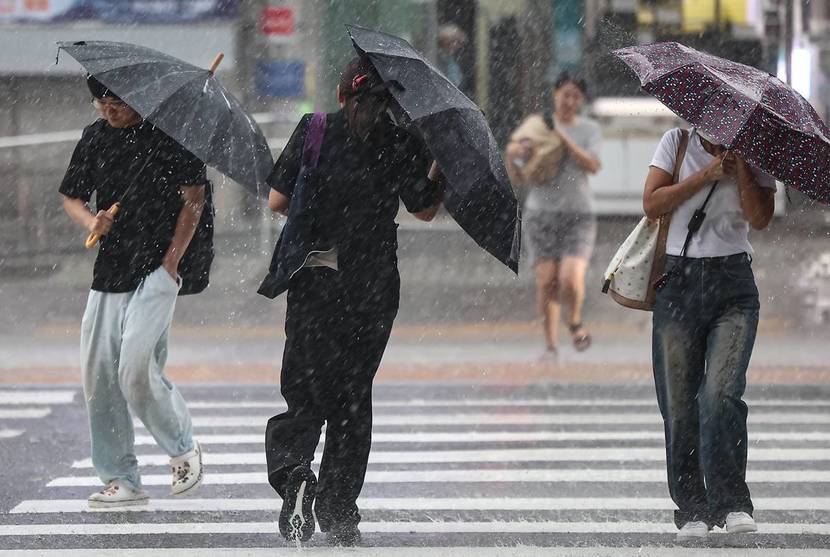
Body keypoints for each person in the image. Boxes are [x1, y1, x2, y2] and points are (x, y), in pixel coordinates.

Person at [261, 57, 443, 546]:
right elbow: (425, 209)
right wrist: (438, 158)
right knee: (352, 399)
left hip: (317, 278)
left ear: (342, 94)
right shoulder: (402, 140)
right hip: (372, 286)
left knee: (303, 392)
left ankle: (294, 471)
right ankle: (339, 512)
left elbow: (277, 201)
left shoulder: (315, 129)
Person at [60, 76, 209, 508]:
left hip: (158, 269)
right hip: (110, 269)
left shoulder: (173, 136)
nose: (109, 112)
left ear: (139, 98)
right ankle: (120, 478)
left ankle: (182, 446)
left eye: (117, 104)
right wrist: (92, 221)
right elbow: (71, 197)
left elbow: (195, 199)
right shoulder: (95, 138)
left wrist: (172, 262)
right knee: (99, 376)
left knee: (135, 368)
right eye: (101, 104)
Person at [644, 127, 776, 541]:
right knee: (679, 405)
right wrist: (706, 175)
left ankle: (732, 501)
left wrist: (742, 169)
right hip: (678, 283)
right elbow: (652, 204)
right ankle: (692, 509)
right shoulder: (676, 142)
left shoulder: (755, 150)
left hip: (733, 284)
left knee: (720, 396)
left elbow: (760, 218)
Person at [505, 72, 601, 360]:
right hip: (541, 214)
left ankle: (574, 320)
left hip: (578, 215)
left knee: (570, 278)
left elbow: (593, 165)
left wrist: (564, 139)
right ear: (555, 94)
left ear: (581, 100)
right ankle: (550, 346)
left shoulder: (589, 129)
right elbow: (517, 168)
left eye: (575, 96)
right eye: (565, 94)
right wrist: (515, 153)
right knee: (547, 281)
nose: (569, 101)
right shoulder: (537, 126)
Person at [437, 23, 467, 89]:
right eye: (451, 41)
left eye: (458, 42)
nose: (455, 45)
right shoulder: (439, 60)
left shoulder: (454, 60)